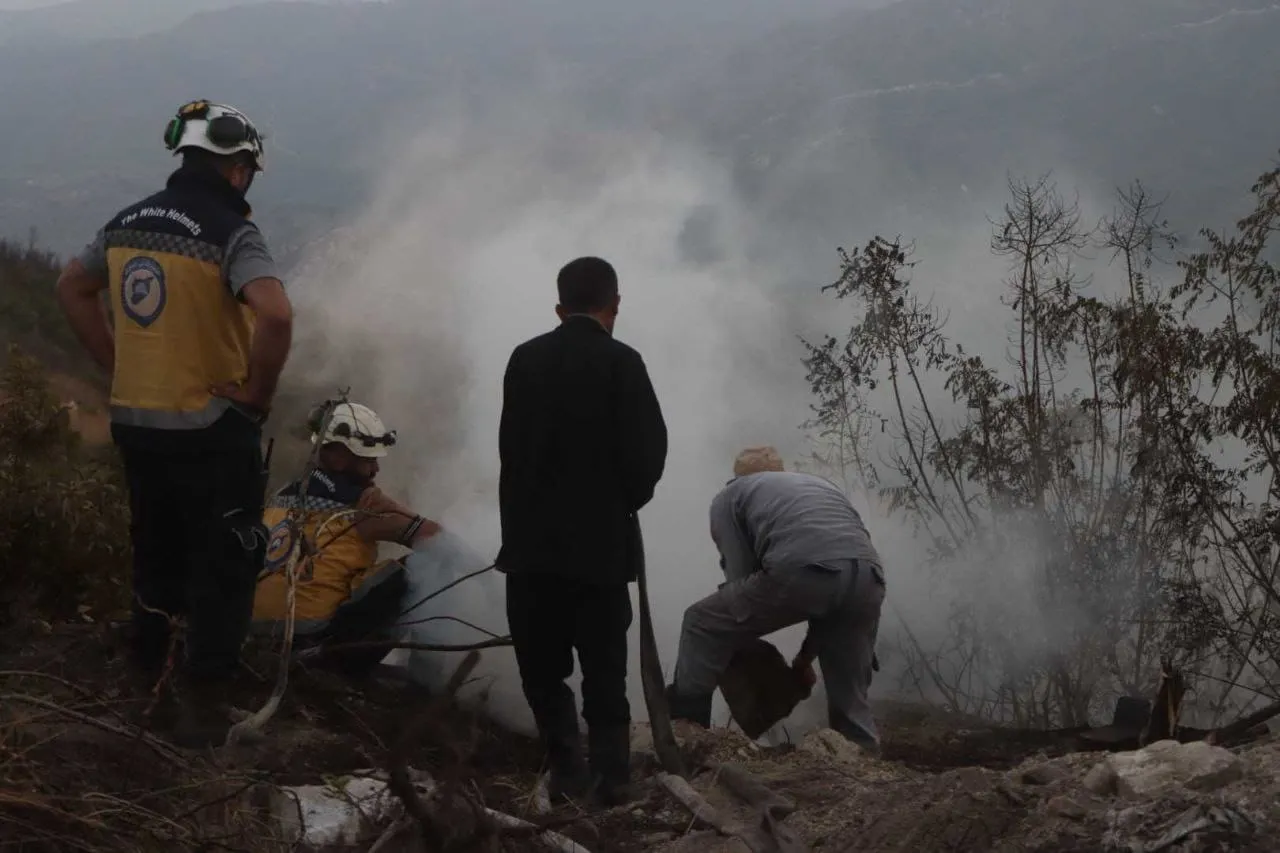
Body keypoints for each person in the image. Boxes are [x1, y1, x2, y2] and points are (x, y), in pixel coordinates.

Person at [54, 100, 294, 745]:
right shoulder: (231, 232)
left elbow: (71, 287)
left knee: (156, 552)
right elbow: (275, 315)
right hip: (211, 427)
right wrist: (255, 395)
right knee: (226, 560)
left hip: (137, 421)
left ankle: (147, 684)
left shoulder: (126, 222)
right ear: (238, 169)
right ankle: (205, 709)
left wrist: (117, 363)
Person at [497, 256, 668, 806]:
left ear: (559, 308)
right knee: (604, 672)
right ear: (614, 305)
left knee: (543, 672)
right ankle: (613, 782)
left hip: (529, 551)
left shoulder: (524, 359)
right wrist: (618, 504)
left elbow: (511, 450)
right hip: (601, 552)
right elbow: (648, 456)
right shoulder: (623, 362)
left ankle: (566, 774)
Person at [666, 446, 887, 752]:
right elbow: (835, 578)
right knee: (851, 696)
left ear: (737, 476)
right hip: (869, 577)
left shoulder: (731, 494)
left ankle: (688, 732)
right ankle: (862, 757)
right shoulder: (820, 486)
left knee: (700, 623)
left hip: (801, 571)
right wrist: (804, 660)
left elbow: (740, 577)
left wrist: (739, 641)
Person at [252, 400, 441, 677]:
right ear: (339, 456)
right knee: (429, 566)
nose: (376, 470)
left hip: (258, 634)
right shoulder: (363, 506)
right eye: (368, 460)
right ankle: (426, 681)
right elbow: (439, 542)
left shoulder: (283, 495)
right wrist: (395, 508)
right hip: (318, 644)